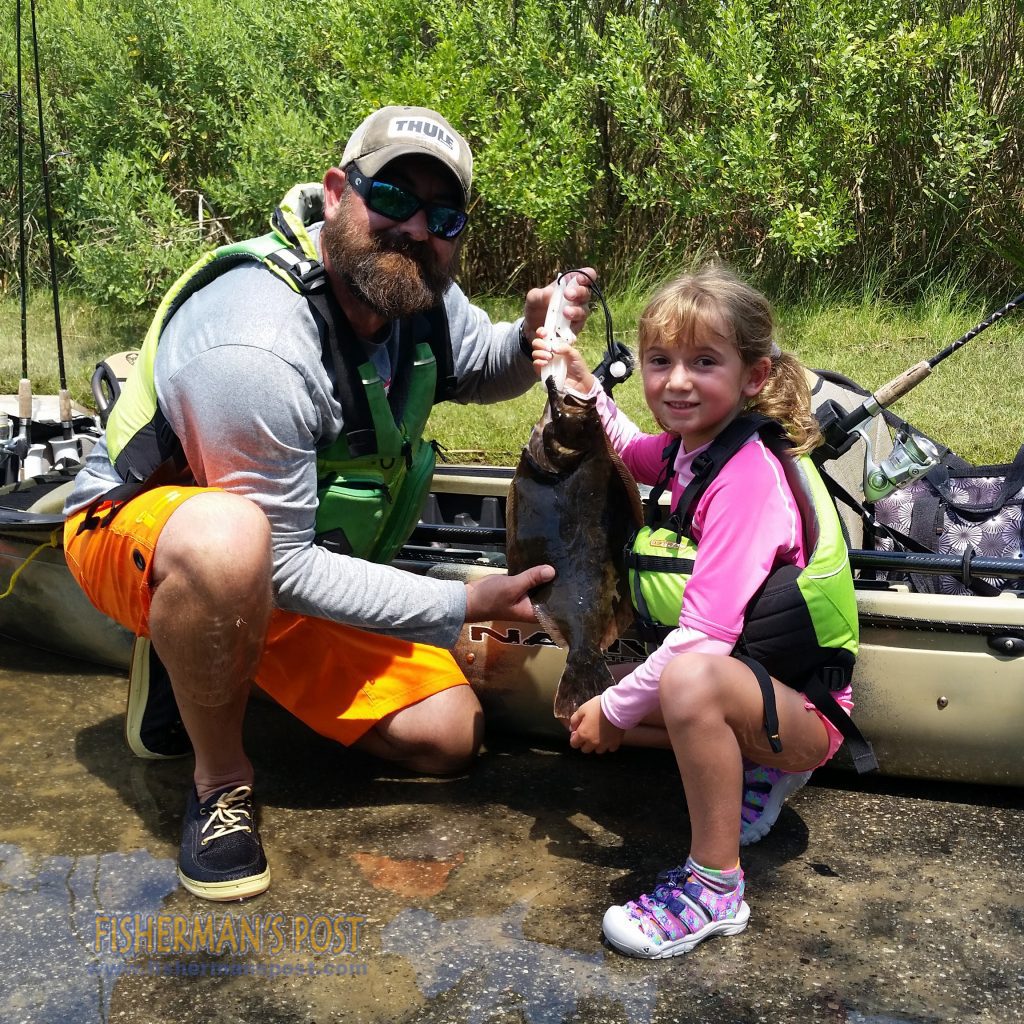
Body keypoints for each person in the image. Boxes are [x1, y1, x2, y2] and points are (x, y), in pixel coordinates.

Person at [62, 104, 594, 902]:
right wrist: (462, 602)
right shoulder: (259, 340)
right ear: (339, 191)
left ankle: (209, 657)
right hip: (146, 537)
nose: (417, 228)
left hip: (283, 560)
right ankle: (219, 781)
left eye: (442, 216)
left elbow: (478, 364)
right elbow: (274, 559)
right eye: (393, 197)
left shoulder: (412, 289)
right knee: (224, 544)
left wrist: (527, 339)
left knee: (449, 737)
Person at [532, 263, 861, 958]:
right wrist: (582, 383)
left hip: (804, 713)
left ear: (753, 376)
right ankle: (764, 770)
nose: (676, 381)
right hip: (764, 687)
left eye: (703, 362)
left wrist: (617, 708)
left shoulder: (744, 481)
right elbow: (631, 449)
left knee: (683, 678)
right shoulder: (696, 447)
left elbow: (704, 643)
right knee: (607, 693)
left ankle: (716, 890)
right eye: (660, 362)